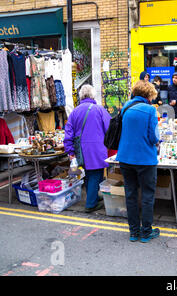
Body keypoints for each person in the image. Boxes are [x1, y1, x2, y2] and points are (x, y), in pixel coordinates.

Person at [116, 81, 161, 243]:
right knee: (147, 196)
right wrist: (159, 140)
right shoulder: (150, 110)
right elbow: (153, 137)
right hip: (145, 159)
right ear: (149, 95)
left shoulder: (125, 109)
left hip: (125, 158)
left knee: (131, 195)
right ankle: (146, 232)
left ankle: (134, 232)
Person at [64, 84, 111, 213]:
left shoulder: (74, 112)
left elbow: (68, 133)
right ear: (93, 95)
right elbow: (109, 129)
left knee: (89, 175)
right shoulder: (99, 110)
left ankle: (94, 197)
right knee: (96, 174)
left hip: (81, 150)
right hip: (97, 149)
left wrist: (70, 151)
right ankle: (90, 204)